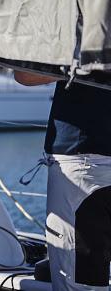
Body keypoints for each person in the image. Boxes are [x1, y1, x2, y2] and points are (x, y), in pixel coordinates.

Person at [15, 71, 111, 291]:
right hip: (86, 164)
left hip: (84, 166)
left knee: (80, 285)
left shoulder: (77, 37)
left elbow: (25, 75)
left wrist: (71, 65)